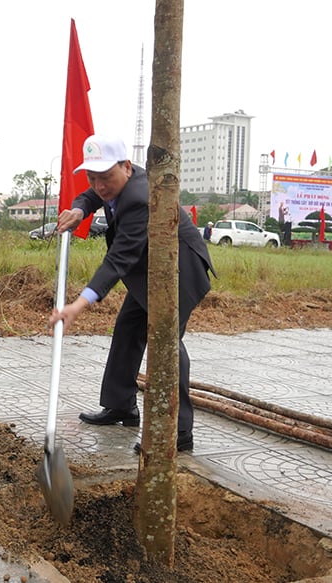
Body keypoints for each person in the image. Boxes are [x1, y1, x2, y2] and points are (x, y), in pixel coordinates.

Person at [50, 135, 215, 452]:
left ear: (126, 167)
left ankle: (176, 432)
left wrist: (78, 305)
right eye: (92, 176)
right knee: (128, 329)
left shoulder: (140, 197)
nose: (99, 185)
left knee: (166, 342)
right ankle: (121, 406)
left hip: (180, 270)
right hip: (149, 270)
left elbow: (117, 261)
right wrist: (78, 210)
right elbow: (91, 195)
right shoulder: (115, 181)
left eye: (106, 177)